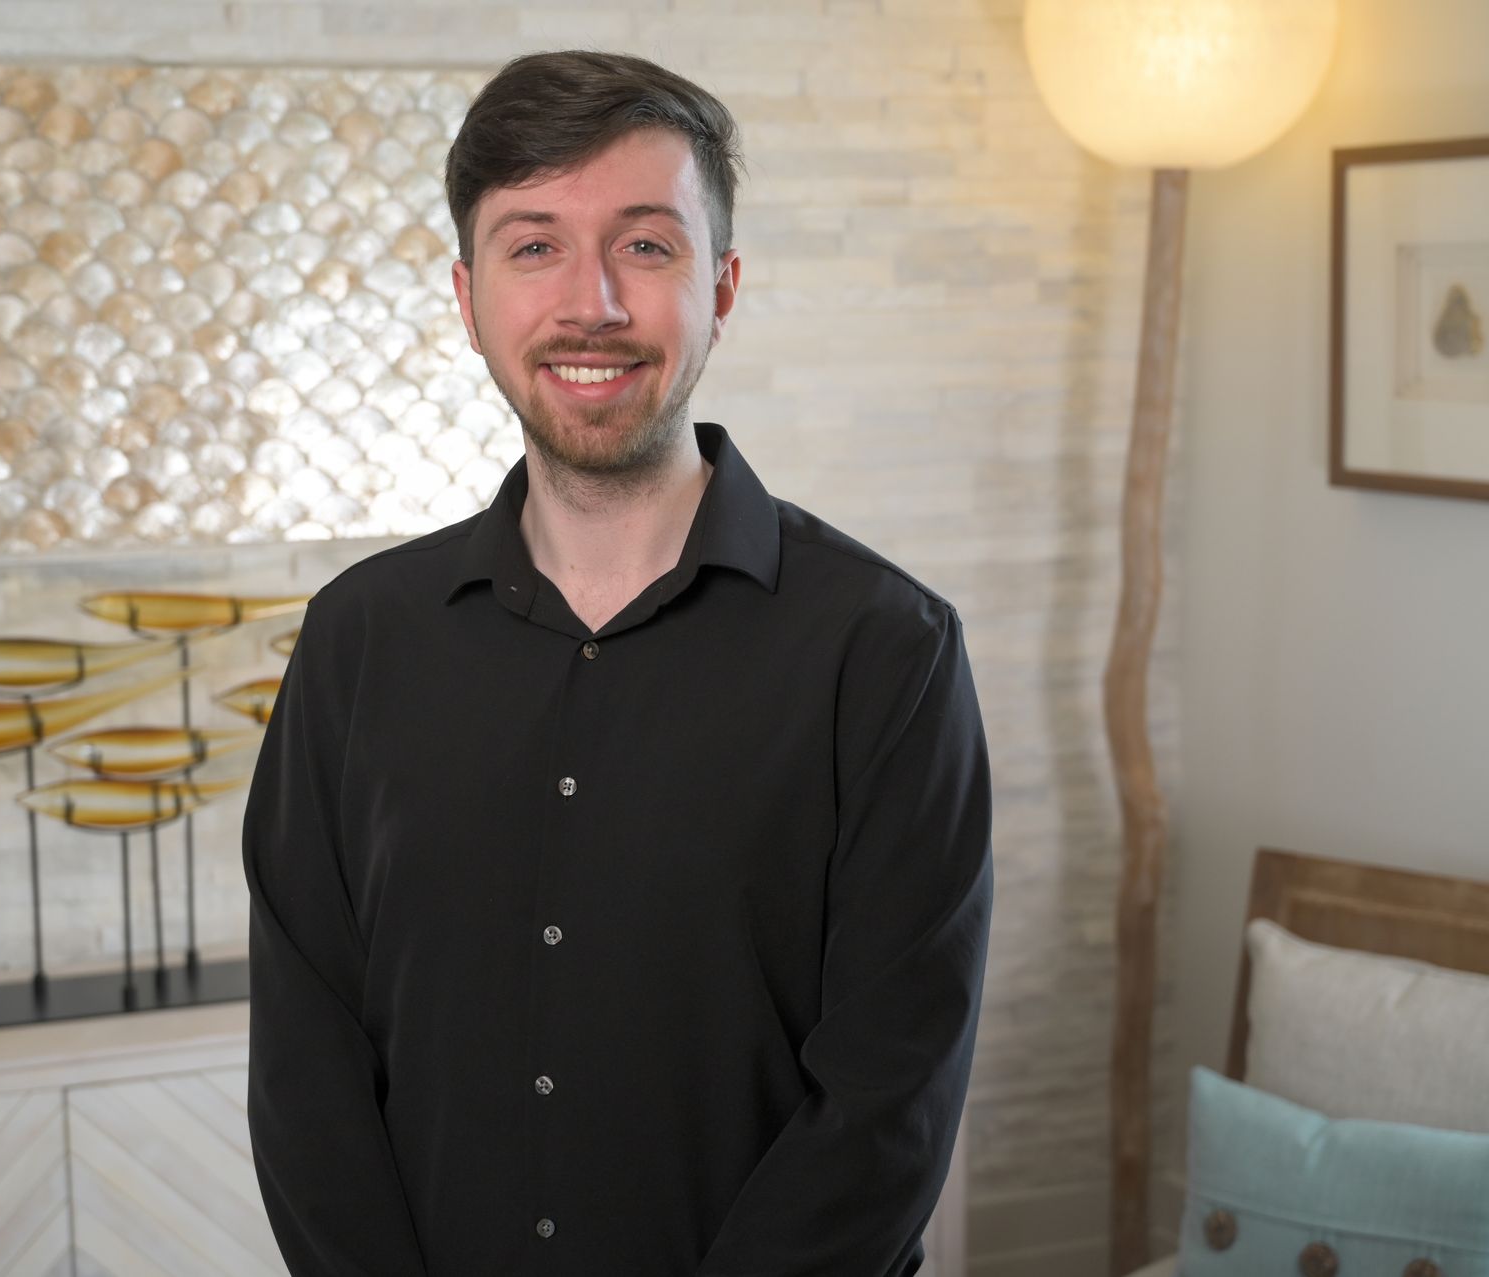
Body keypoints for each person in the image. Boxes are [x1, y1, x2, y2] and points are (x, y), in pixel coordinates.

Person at [243, 49, 993, 1277]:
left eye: (646, 246)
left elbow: (887, 1105)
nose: (589, 302)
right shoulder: (358, 641)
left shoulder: (886, 651)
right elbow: (307, 1075)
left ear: (723, 284)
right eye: (533, 246)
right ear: (467, 295)